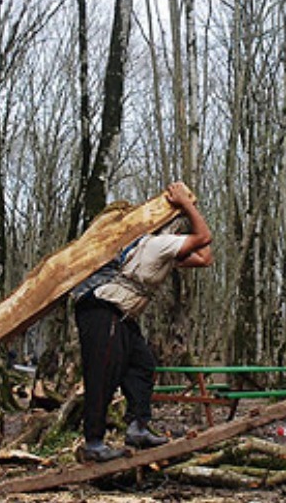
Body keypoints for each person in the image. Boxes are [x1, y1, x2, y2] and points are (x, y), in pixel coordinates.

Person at [73, 181, 214, 462]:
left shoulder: (160, 251)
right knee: (102, 374)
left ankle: (137, 426)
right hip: (102, 308)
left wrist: (189, 207)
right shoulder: (155, 244)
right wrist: (187, 206)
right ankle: (94, 443)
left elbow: (204, 258)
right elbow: (204, 237)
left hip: (121, 315)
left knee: (142, 363)